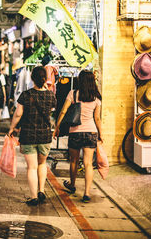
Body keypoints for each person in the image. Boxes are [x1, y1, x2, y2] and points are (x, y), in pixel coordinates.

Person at [8, 66, 56, 206]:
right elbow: (52, 110)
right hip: (45, 135)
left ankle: (34, 196)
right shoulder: (50, 95)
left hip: (28, 135)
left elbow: (18, 114)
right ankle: (41, 190)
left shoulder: (26, 95)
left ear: (32, 78)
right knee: (42, 164)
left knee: (32, 167)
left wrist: (12, 128)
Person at [53, 70, 102, 203]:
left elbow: (63, 111)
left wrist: (57, 127)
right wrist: (100, 134)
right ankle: (86, 193)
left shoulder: (73, 94)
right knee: (88, 164)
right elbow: (97, 118)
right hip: (91, 132)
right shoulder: (96, 97)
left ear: (80, 81)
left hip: (75, 132)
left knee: (74, 161)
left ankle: (72, 185)